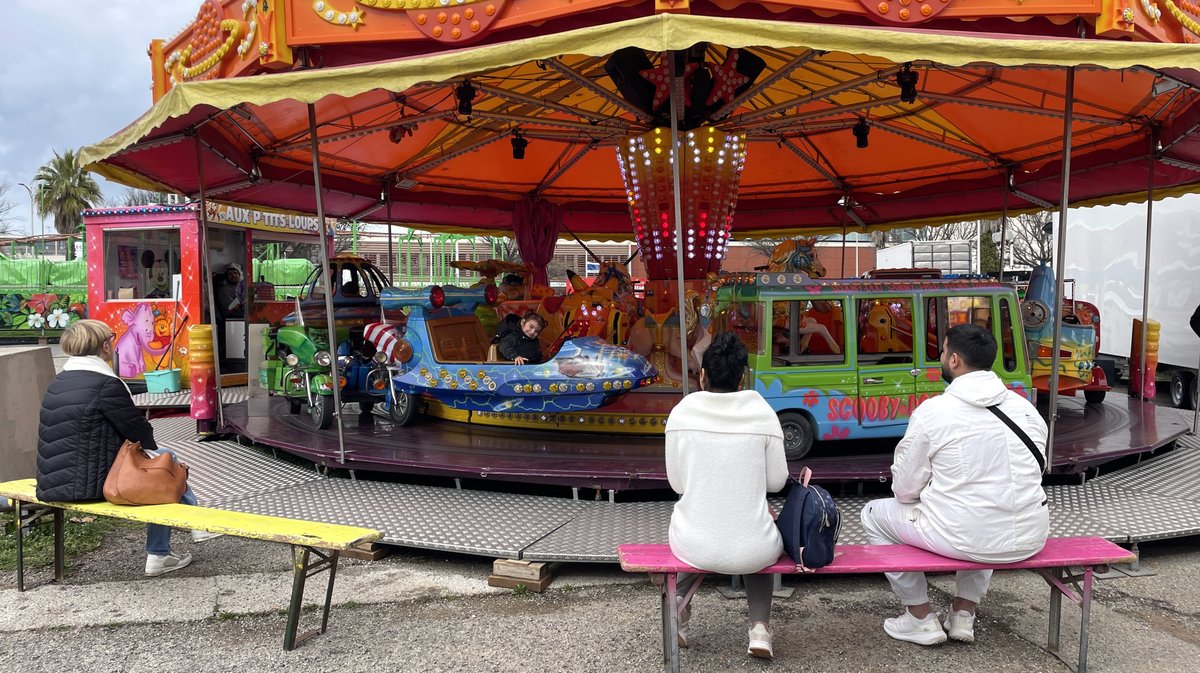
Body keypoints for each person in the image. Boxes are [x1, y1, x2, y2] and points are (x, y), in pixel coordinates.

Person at [860, 323, 1048, 646]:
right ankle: (963, 613)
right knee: (981, 509)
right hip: (1031, 534)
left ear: (955, 360)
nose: (941, 357)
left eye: (943, 351)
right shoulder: (1027, 411)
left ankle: (919, 616)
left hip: (967, 536)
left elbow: (904, 490)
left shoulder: (934, 413)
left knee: (873, 515)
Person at [35, 320, 219, 578]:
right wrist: (154, 453)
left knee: (161, 462)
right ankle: (163, 551)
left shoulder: (59, 382)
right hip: (90, 485)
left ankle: (197, 525)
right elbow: (136, 429)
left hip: (52, 482)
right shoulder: (106, 384)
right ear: (105, 346)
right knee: (162, 465)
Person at [663, 331, 789, 659]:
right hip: (753, 547)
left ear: (702, 375)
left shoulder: (681, 413)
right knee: (758, 534)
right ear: (743, 377)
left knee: (695, 523)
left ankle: (679, 609)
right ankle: (760, 628)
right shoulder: (762, 412)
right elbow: (777, 482)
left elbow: (677, 484)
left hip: (694, 543)